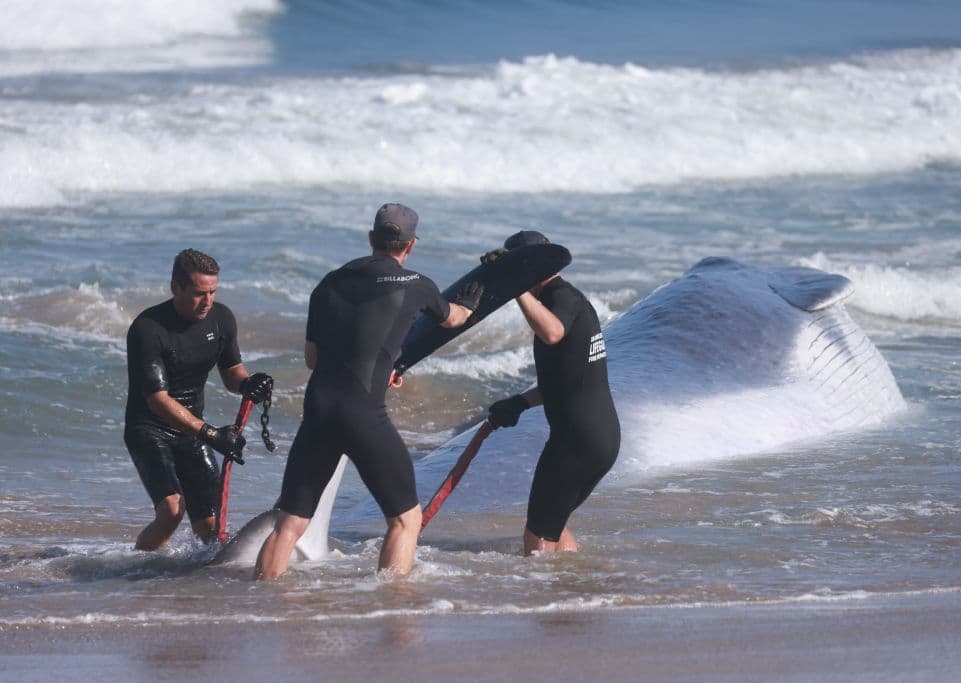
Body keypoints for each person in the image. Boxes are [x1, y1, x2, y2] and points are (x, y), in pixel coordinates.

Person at [254, 203, 481, 580]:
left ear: (371, 238)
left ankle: (258, 601)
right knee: (405, 520)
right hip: (363, 413)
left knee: (290, 522)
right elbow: (452, 318)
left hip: (319, 409)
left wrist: (380, 365)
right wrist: (473, 301)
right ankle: (391, 609)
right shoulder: (416, 284)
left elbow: (313, 358)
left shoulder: (328, 283)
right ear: (410, 246)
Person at [125, 248, 274, 551]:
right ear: (175, 287)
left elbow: (231, 372)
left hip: (191, 430)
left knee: (211, 530)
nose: (207, 301)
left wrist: (248, 384)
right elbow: (158, 400)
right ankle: (134, 571)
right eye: (198, 293)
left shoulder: (221, 319)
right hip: (149, 430)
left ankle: (198, 588)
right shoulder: (148, 328)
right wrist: (211, 434)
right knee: (171, 512)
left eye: (212, 292)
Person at [487, 230, 620, 555]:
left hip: (576, 440)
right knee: (552, 527)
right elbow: (566, 378)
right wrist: (520, 402)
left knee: (535, 537)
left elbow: (551, 332)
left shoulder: (562, 299)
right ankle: (569, 589)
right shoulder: (565, 300)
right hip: (596, 437)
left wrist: (514, 287)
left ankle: (541, 596)